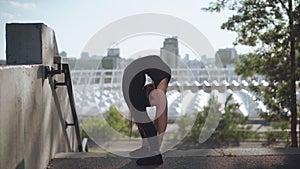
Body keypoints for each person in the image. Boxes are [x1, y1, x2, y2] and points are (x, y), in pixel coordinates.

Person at [122, 55, 171, 166]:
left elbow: (162, 116)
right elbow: (139, 116)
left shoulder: (161, 85)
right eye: (150, 104)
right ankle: (149, 149)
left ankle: (152, 152)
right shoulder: (156, 88)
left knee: (141, 111)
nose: (152, 106)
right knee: (139, 113)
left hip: (136, 71)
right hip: (130, 74)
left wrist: (158, 142)